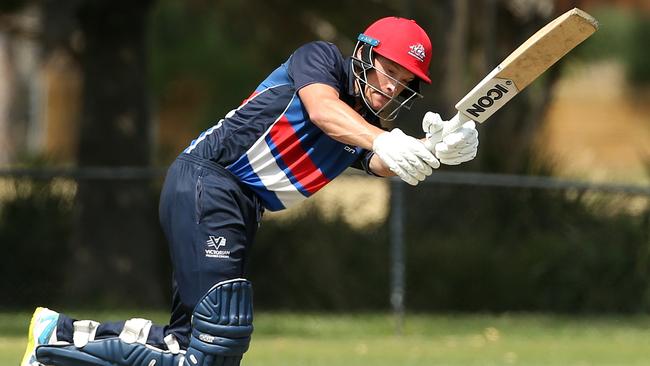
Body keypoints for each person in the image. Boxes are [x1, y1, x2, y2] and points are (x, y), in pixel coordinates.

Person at [21, 16, 478, 366]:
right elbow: (322, 111)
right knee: (220, 338)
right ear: (363, 53)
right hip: (209, 182)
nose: (393, 85)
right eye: (389, 70)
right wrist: (383, 139)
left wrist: (432, 150)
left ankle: (60, 333)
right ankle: (50, 352)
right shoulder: (321, 62)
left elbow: (378, 161)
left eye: (405, 79)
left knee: (194, 343)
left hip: (237, 205)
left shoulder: (364, 128)